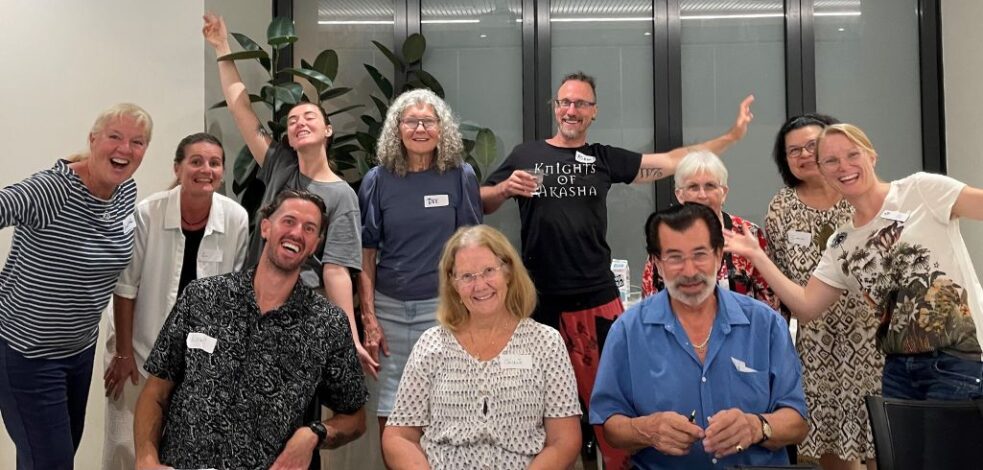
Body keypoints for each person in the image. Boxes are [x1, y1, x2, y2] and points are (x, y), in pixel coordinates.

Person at [480, 70, 753, 468]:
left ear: (593, 112)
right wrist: (504, 188)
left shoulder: (605, 159)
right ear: (556, 108)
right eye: (564, 102)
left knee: (614, 413)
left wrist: (730, 137)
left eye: (580, 104)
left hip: (597, 303)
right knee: (538, 416)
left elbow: (674, 161)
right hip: (536, 306)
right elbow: (481, 201)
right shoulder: (526, 155)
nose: (571, 110)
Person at [726, 123, 983, 401]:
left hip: (958, 360)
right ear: (822, 171)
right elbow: (806, 306)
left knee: (948, 446)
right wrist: (757, 256)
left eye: (852, 155)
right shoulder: (842, 243)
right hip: (898, 370)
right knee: (900, 447)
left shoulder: (920, 190)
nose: (843, 166)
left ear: (871, 156)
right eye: (831, 161)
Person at [133, 189, 368, 470]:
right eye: (289, 221)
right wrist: (146, 459)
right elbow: (155, 392)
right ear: (266, 227)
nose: (296, 233)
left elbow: (355, 418)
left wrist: (313, 434)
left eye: (309, 228)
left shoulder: (327, 323)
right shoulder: (203, 297)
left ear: (315, 244)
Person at [202, 12, 373, 373]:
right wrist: (222, 47)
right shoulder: (279, 163)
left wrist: (350, 337)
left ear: (328, 130)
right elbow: (240, 107)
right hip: (254, 298)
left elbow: (337, 271)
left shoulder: (343, 195)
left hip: (304, 305)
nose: (299, 123)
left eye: (309, 117)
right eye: (292, 121)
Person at [590, 203, 808, 469]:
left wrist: (757, 426)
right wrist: (646, 429)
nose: (690, 271)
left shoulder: (765, 324)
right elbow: (611, 426)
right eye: (675, 257)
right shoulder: (627, 331)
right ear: (657, 264)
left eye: (700, 254)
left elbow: (797, 423)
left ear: (718, 256)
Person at [0, 103, 153, 469]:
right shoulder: (50, 190)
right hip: (28, 355)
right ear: (93, 139)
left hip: (78, 351)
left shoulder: (125, 191)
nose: (124, 149)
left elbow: (120, 276)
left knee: (49, 458)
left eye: (137, 141)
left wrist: (123, 349)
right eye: (114, 137)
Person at [100, 133, 249, 470]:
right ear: (178, 168)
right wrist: (123, 353)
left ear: (222, 171)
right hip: (136, 347)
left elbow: (233, 295)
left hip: (198, 356)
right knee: (128, 446)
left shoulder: (236, 218)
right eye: (196, 161)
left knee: (185, 446)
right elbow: (125, 287)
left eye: (214, 163)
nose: (205, 169)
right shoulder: (147, 213)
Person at [382, 225, 581, 469]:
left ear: (508, 272)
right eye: (466, 276)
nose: (479, 285)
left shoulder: (546, 343)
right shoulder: (431, 345)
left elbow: (565, 441)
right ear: (453, 284)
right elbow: (398, 436)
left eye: (488, 271)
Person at [357, 89, 482, 434]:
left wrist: (468, 311)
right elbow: (366, 254)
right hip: (388, 309)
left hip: (441, 307)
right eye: (411, 121)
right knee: (391, 406)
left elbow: (472, 249)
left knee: (443, 402)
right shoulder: (377, 180)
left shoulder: (461, 176)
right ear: (397, 129)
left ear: (442, 129)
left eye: (429, 121)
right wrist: (369, 319)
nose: (420, 129)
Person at [765, 115, 881, 470]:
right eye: (792, 151)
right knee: (825, 441)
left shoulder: (861, 197)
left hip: (873, 339)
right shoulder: (781, 208)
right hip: (815, 344)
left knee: (881, 436)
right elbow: (778, 276)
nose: (803, 155)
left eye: (811, 146)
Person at [639, 150, 777, 310]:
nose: (702, 195)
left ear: (724, 193)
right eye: (693, 187)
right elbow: (649, 303)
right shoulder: (665, 237)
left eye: (710, 186)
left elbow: (771, 302)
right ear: (679, 195)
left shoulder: (748, 234)